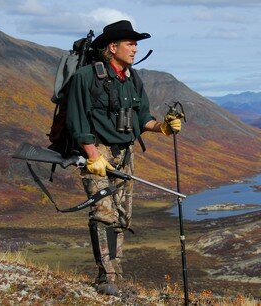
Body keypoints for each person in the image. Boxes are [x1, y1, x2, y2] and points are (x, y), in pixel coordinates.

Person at [66, 20, 181, 296]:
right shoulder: (86, 77)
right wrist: (92, 155)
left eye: (135, 43)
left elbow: (143, 118)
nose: (135, 48)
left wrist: (163, 127)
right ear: (112, 46)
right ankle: (105, 278)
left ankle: (115, 275)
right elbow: (76, 118)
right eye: (130, 43)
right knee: (103, 213)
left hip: (125, 153)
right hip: (98, 151)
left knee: (121, 216)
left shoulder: (133, 78)